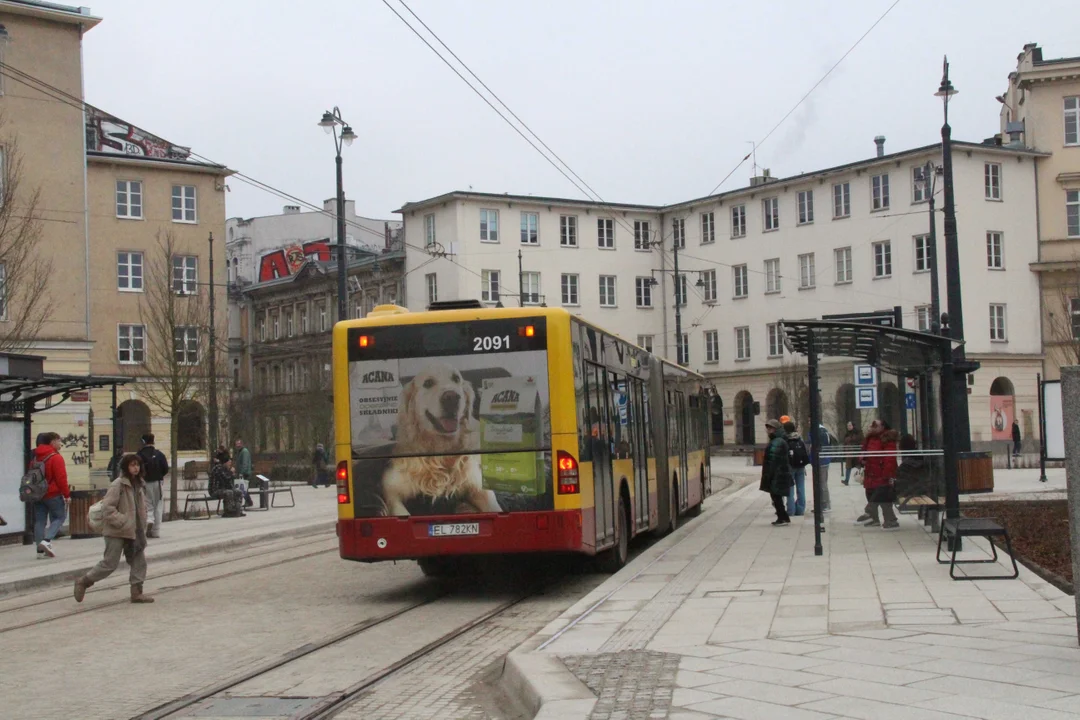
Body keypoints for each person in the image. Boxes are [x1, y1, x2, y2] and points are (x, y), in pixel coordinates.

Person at [72, 453, 154, 604]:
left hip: (134, 531)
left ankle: (137, 592)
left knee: (139, 561)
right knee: (110, 563)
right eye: (132, 465)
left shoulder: (139, 484)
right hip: (116, 531)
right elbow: (107, 509)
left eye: (137, 465)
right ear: (126, 467)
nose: (135, 468)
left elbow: (141, 507)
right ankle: (84, 581)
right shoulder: (118, 484)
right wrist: (123, 521)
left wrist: (143, 522)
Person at [855, 420, 899, 529]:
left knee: (883, 498)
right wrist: (862, 460)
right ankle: (874, 519)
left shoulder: (887, 438)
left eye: (875, 425)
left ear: (882, 427)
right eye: (871, 425)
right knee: (870, 494)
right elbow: (863, 452)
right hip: (870, 471)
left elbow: (890, 458)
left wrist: (888, 475)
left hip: (880, 473)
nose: (871, 427)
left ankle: (890, 520)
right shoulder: (869, 438)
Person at [32, 432, 69, 559]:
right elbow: (61, 478)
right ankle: (46, 541)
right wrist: (67, 494)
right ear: (52, 442)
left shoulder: (35, 457)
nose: (60, 443)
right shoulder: (55, 457)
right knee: (60, 517)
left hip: (37, 494)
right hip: (53, 493)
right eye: (59, 440)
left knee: (40, 521)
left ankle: (39, 551)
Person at [760, 419, 794, 526]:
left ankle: (782, 517)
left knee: (776, 496)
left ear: (776, 429)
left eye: (771, 428)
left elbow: (772, 460)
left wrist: (768, 475)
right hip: (778, 473)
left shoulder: (777, 441)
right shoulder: (778, 440)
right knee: (776, 496)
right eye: (768, 428)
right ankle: (783, 517)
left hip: (777, 474)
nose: (769, 430)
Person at [137, 434, 169, 538]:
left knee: (147, 503)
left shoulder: (140, 454)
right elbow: (165, 468)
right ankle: (156, 531)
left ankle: (149, 519)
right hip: (158, 483)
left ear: (143, 442)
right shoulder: (159, 454)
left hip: (145, 482)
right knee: (158, 505)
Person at [783, 420, 810, 517]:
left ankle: (791, 510)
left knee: (790, 488)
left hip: (790, 466)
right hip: (801, 466)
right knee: (801, 487)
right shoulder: (799, 438)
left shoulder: (786, 439)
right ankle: (800, 509)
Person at [209, 449, 245, 517]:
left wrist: (234, 487)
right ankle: (228, 511)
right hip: (215, 490)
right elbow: (225, 479)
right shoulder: (218, 468)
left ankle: (237, 509)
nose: (230, 464)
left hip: (223, 489)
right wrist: (231, 473)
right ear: (225, 463)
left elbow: (229, 483)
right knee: (229, 492)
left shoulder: (225, 469)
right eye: (229, 463)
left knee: (238, 492)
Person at [809, 423, 835, 513]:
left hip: (821, 461)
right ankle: (822, 504)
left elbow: (815, 446)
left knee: (822, 483)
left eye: (810, 420)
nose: (809, 422)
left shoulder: (818, 432)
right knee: (822, 483)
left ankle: (825, 505)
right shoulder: (824, 431)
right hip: (823, 460)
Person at [233, 438, 254, 508]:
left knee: (243, 488)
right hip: (242, 472)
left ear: (242, 444)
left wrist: (241, 473)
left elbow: (245, 463)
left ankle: (249, 502)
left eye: (239, 444)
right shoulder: (240, 451)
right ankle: (249, 501)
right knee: (243, 488)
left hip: (245, 473)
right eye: (236, 444)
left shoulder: (244, 451)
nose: (237, 446)